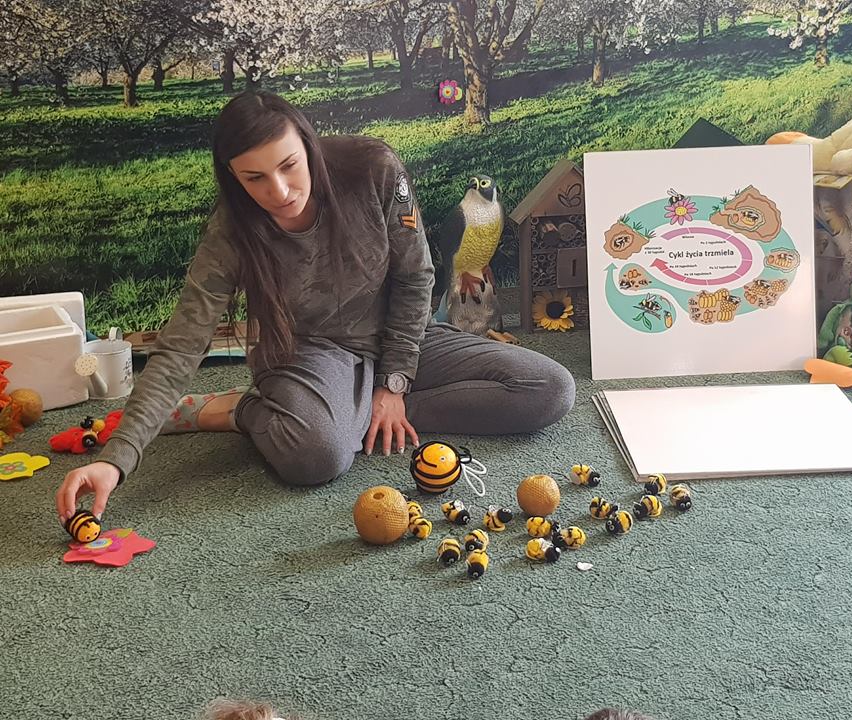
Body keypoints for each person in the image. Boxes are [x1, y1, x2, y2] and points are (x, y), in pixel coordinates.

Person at [55, 90, 576, 524]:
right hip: (309, 352)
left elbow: (415, 275)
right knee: (315, 458)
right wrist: (116, 460)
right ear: (232, 177)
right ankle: (242, 409)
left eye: (288, 165)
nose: (280, 191)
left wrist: (393, 384)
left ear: (308, 144)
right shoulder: (230, 231)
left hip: (403, 334)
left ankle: (359, 414)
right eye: (254, 178)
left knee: (550, 389)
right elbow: (180, 348)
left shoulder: (374, 167)